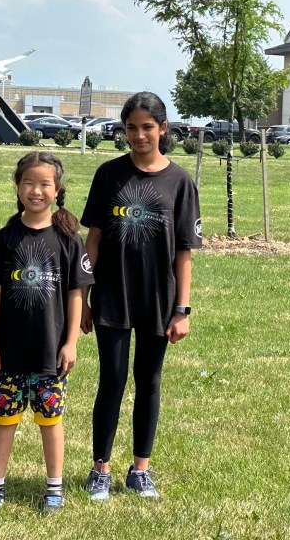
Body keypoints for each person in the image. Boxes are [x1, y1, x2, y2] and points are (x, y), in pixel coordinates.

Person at [81, 91, 201, 501]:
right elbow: (92, 241)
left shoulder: (180, 182)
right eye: (131, 128)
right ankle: (101, 470)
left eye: (147, 127)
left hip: (158, 300)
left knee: (148, 381)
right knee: (111, 380)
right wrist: (83, 296)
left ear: (163, 129)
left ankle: (140, 470)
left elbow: (183, 253)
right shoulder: (109, 175)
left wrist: (181, 309)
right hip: (112, 296)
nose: (138, 135)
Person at [0, 151, 91, 513]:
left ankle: (54, 488)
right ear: (17, 187)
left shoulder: (70, 240)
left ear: (58, 190)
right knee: (5, 420)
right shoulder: (4, 238)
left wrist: (71, 342)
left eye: (44, 184)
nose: (36, 190)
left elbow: (76, 295)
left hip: (50, 353)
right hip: (8, 352)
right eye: (28, 182)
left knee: (50, 421)